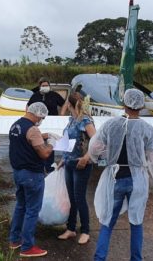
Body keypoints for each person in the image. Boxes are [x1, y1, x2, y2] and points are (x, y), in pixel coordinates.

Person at [88, 88, 153, 261]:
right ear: (142, 106)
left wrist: (102, 157)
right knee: (136, 222)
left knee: (107, 221)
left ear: (123, 104)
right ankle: (136, 258)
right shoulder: (147, 129)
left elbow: (94, 147)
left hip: (114, 178)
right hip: (137, 180)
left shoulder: (110, 124)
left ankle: (99, 258)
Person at [8, 102, 54, 258]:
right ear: (37, 114)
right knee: (32, 210)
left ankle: (14, 240)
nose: (41, 120)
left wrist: (44, 135)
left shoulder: (16, 125)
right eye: (42, 117)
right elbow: (44, 154)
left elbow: (26, 140)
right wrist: (52, 144)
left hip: (18, 172)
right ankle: (27, 247)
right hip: (32, 175)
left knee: (21, 206)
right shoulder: (33, 129)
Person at [57, 93, 97, 245]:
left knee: (79, 198)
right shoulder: (72, 120)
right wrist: (63, 159)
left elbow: (96, 140)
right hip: (69, 163)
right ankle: (71, 229)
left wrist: (86, 158)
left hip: (81, 164)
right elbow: (69, 141)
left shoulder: (85, 120)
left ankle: (85, 231)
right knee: (71, 198)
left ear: (69, 104)